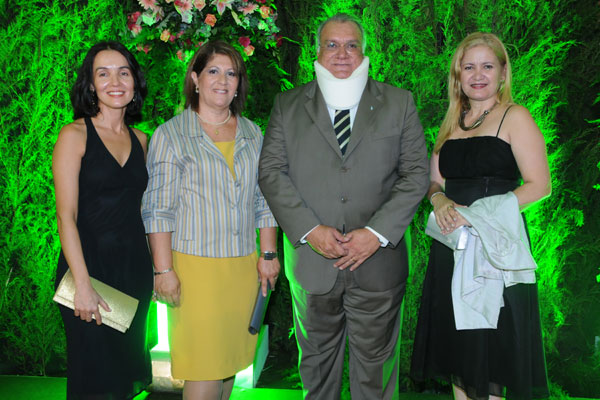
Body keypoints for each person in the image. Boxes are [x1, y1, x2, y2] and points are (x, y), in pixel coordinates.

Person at [259, 13, 429, 400]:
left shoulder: (399, 103)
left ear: (365, 52)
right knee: (317, 374)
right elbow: (270, 173)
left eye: (352, 45)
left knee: (376, 379)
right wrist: (310, 230)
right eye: (332, 45)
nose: (342, 53)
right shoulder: (287, 105)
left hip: (378, 264)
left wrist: (376, 233)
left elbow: (416, 174)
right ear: (317, 52)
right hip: (312, 264)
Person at [410, 32, 551, 400]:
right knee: (459, 350)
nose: (477, 75)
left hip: (495, 249)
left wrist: (477, 216)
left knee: (492, 351)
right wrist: (439, 199)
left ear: (503, 73)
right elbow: (435, 181)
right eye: (469, 67)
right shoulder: (451, 121)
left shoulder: (515, 116)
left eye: (487, 66)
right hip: (451, 248)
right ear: (458, 75)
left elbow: (539, 186)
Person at [141, 40, 279, 400]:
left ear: (239, 84)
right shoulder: (171, 134)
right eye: (213, 71)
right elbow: (157, 209)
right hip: (194, 270)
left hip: (242, 267)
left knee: (228, 364)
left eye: (231, 73)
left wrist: (268, 255)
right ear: (195, 79)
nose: (223, 80)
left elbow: (264, 198)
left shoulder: (253, 133)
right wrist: (163, 270)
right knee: (204, 369)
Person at [53, 41, 152, 399]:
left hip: (133, 273)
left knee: (122, 377)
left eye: (123, 72)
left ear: (134, 81)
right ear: (91, 84)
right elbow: (66, 216)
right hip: (87, 272)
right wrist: (82, 284)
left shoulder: (142, 140)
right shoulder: (74, 135)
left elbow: (144, 212)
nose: (115, 82)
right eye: (103, 73)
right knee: (93, 378)